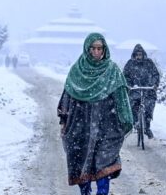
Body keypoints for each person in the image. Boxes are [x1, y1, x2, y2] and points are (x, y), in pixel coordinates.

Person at [57, 33, 133, 195]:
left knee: (103, 162)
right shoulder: (77, 71)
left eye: (100, 48)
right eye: (94, 48)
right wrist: (64, 121)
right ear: (87, 49)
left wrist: (124, 119)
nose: (97, 52)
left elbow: (121, 96)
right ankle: (85, 192)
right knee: (80, 160)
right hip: (80, 125)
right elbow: (67, 97)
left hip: (107, 126)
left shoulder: (112, 70)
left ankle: (102, 193)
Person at [123, 43, 160, 139]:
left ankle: (147, 127)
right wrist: (129, 85)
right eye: (137, 55)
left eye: (140, 54)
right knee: (132, 104)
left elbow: (155, 74)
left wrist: (154, 84)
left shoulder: (149, 63)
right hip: (135, 90)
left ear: (143, 54)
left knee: (149, 106)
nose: (139, 57)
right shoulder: (130, 64)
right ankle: (135, 122)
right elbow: (125, 76)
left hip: (148, 91)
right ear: (134, 55)